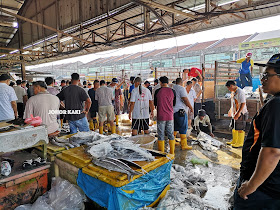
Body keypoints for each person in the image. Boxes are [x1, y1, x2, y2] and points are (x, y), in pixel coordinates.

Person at [234, 54, 280, 209]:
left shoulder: (276, 105)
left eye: (266, 75)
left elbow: (273, 151)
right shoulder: (273, 102)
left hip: (263, 190)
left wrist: (251, 185)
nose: (262, 79)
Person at [154, 76, 176, 154]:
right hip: (170, 116)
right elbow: (174, 103)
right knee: (170, 134)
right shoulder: (173, 91)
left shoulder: (157, 91)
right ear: (167, 82)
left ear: (160, 82)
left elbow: (155, 104)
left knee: (161, 134)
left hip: (161, 116)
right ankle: (172, 153)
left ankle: (161, 153)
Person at [225, 80, 249, 148]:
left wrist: (238, 113)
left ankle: (240, 143)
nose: (228, 89)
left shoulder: (240, 92)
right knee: (234, 127)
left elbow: (243, 103)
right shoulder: (233, 92)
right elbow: (233, 103)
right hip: (234, 112)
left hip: (241, 113)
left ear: (231, 86)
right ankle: (234, 140)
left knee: (240, 128)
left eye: (228, 88)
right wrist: (231, 110)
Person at [173, 78, 193, 150]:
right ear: (181, 83)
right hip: (180, 111)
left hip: (173, 111)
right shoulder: (181, 88)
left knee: (175, 126)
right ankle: (184, 145)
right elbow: (185, 99)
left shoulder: (172, 87)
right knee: (183, 127)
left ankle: (173, 141)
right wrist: (191, 107)